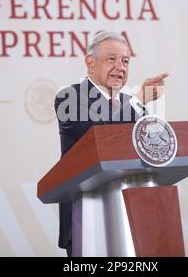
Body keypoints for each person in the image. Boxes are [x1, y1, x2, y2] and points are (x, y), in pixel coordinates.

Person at [54, 31, 168, 256]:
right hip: (87, 218)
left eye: (125, 61)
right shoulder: (69, 98)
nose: (121, 66)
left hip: (132, 217)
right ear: (90, 62)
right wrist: (138, 101)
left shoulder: (131, 104)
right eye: (111, 59)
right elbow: (100, 141)